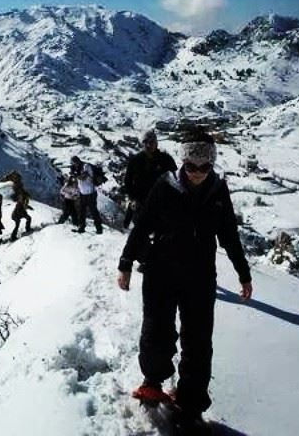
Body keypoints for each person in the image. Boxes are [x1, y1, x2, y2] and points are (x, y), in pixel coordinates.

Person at [117, 130, 253, 434]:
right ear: (183, 161)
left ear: (213, 165)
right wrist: (125, 263)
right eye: (192, 166)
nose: (198, 174)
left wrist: (243, 274)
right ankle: (153, 383)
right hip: (160, 270)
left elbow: (230, 236)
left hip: (200, 277)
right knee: (157, 327)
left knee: (199, 340)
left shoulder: (218, 191)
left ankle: (190, 403)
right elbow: (142, 227)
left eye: (205, 167)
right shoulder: (164, 186)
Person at [123, 129, 177, 229]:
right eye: (145, 142)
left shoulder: (166, 159)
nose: (148, 145)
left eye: (151, 142)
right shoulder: (135, 160)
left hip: (160, 200)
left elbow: (175, 179)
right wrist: (132, 198)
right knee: (141, 228)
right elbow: (128, 181)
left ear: (156, 143)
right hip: (140, 200)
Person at [70, 156, 103, 234]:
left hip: (91, 193)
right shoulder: (76, 169)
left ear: (77, 161)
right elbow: (77, 180)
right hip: (83, 193)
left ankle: (99, 229)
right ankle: (81, 228)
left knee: (93, 211)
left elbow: (83, 177)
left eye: (74, 163)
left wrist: (75, 175)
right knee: (82, 212)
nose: (74, 165)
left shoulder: (86, 166)